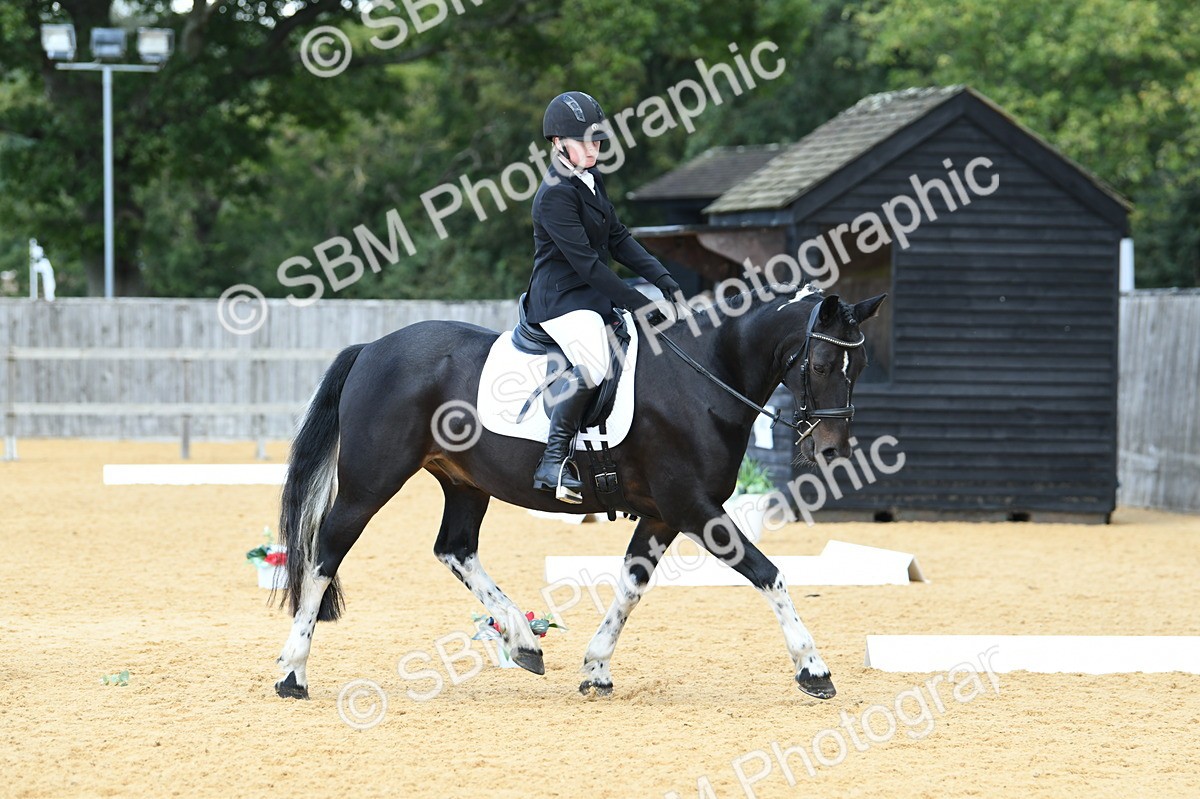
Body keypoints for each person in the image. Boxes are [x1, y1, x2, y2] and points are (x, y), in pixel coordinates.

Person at [526, 90, 682, 503]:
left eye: (597, 140)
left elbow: (618, 239)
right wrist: (640, 303)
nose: (593, 147)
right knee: (594, 366)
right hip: (561, 300)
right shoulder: (555, 193)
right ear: (558, 143)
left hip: (591, 295)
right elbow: (588, 267)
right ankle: (553, 461)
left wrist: (664, 279)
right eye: (584, 141)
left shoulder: (591, 181)